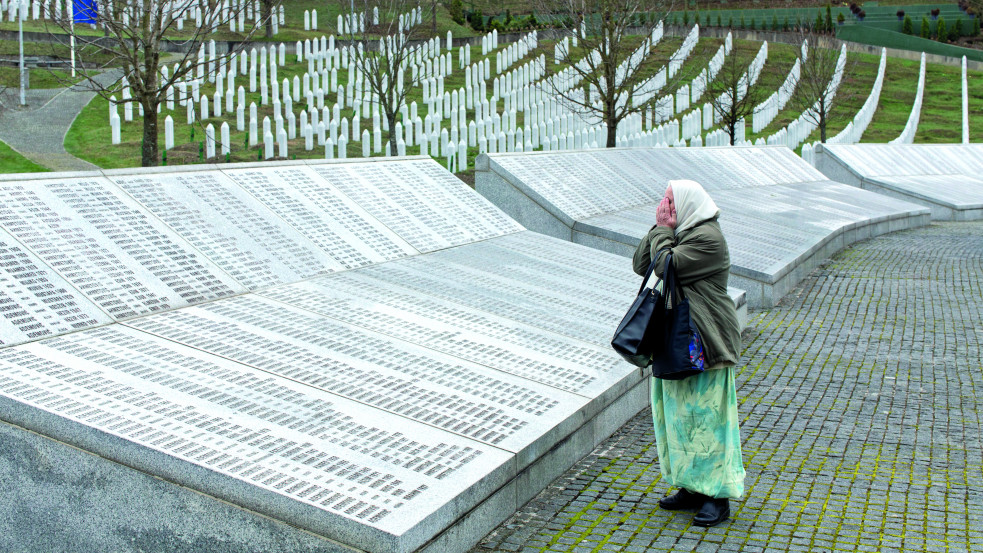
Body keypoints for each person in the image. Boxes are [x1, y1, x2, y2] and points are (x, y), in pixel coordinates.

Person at [632, 179, 745, 528]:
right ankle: (692, 486)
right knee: (679, 419)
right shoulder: (679, 231)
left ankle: (717, 496)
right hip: (677, 340)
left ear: (688, 204)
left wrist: (664, 232)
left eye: (670, 201)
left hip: (705, 342)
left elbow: (667, 267)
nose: (665, 206)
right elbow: (642, 264)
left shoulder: (707, 239)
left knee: (709, 422)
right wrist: (659, 227)